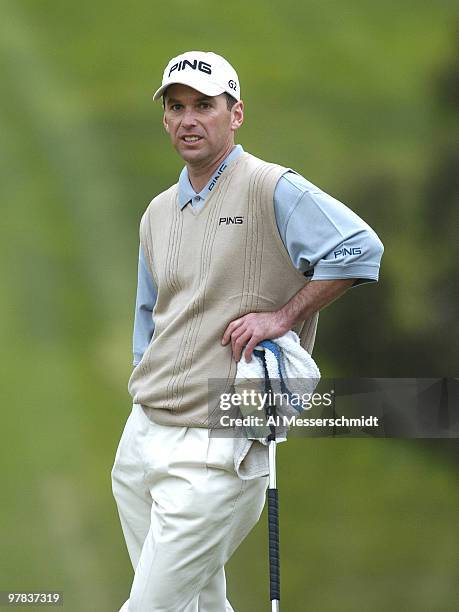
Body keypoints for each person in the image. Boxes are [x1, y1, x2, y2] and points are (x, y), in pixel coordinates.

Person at [111, 50, 384, 612]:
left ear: (235, 114)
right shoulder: (157, 212)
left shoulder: (270, 187)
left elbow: (358, 250)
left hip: (218, 443)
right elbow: (150, 315)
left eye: (204, 106)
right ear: (165, 118)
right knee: (198, 606)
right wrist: (146, 378)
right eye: (177, 107)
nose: (188, 119)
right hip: (142, 440)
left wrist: (282, 317)